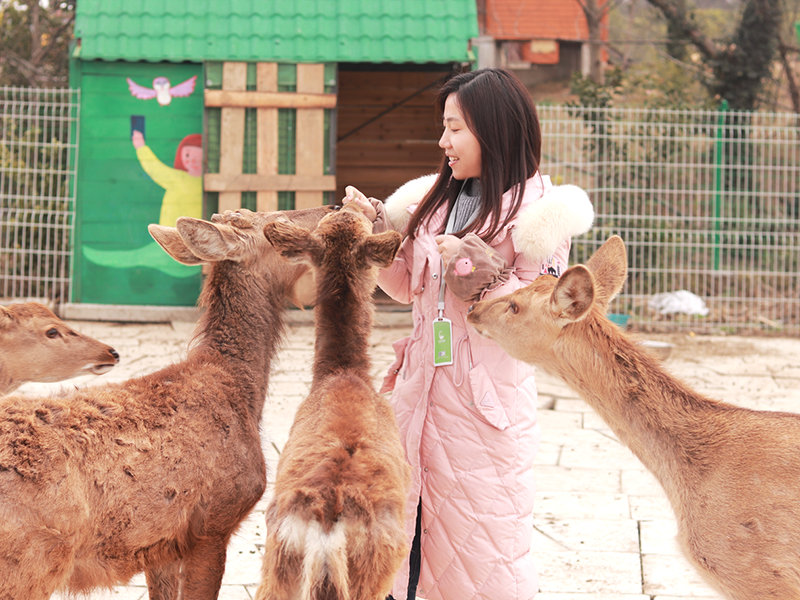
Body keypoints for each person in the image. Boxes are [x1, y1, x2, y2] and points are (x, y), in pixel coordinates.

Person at [343, 68, 594, 600]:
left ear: (494, 129)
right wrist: (378, 233)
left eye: (455, 128)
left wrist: (482, 275)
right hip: (417, 397)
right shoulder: (436, 202)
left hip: (483, 410)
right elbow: (408, 286)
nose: (443, 141)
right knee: (402, 544)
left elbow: (535, 315)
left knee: (482, 555)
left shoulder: (541, 218)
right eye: (444, 127)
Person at [131, 130, 203, 226]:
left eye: (198, 157)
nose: (192, 161)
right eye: (187, 155)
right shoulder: (177, 177)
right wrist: (141, 147)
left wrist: (141, 147)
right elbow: (155, 169)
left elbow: (155, 169)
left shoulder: (206, 182)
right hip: (172, 230)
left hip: (187, 231)